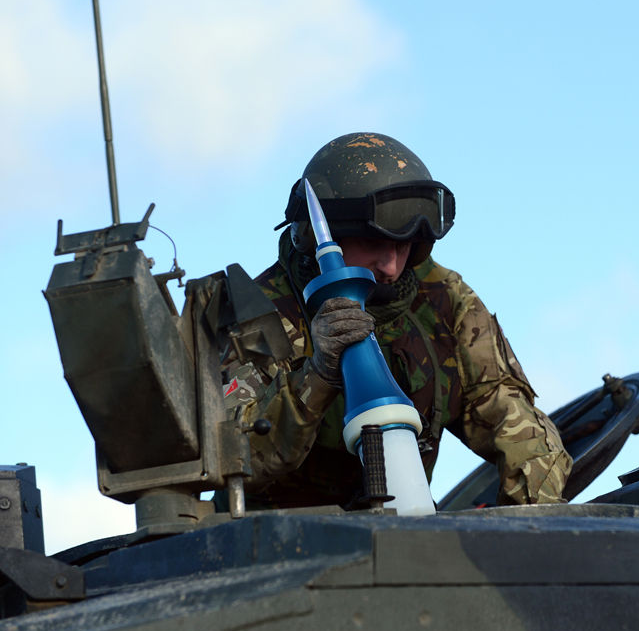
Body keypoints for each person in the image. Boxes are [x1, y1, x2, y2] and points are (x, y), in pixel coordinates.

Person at [221, 132, 571, 510]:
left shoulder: (443, 300)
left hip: (404, 535)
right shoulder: (262, 314)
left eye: (403, 245)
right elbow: (234, 458)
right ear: (319, 237)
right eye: (373, 242)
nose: (390, 265)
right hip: (273, 547)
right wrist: (317, 376)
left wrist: (532, 523)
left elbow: (515, 421)